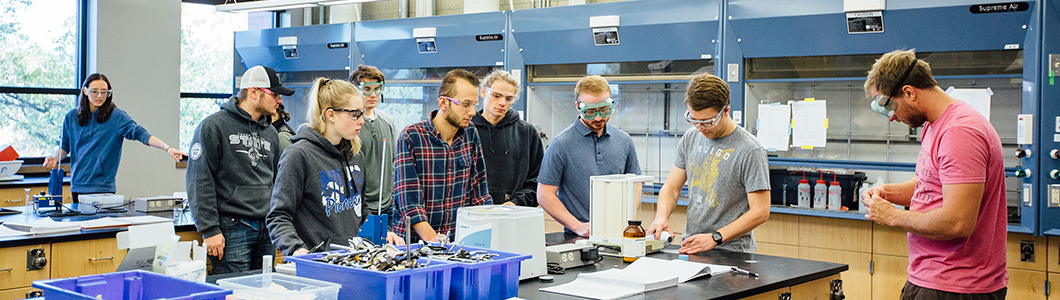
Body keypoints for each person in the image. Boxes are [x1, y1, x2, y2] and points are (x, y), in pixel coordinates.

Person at [860, 50, 1007, 299]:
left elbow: (957, 222)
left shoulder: (960, 131)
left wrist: (893, 216)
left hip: (957, 285)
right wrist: (889, 193)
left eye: (889, 105)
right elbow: (931, 183)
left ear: (909, 92)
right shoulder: (934, 124)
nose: (892, 117)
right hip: (931, 278)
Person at [267, 78, 395, 257]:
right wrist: (295, 248)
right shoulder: (298, 155)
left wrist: (381, 231)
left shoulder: (356, 155)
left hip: (353, 259)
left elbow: (360, 207)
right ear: (331, 115)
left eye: (362, 113)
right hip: (318, 263)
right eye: (354, 114)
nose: (362, 121)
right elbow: (278, 216)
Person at [645, 74, 770, 254]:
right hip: (692, 247)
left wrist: (715, 238)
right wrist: (661, 217)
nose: (700, 128)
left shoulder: (750, 150)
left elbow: (760, 211)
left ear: (725, 111)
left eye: (707, 122)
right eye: (694, 120)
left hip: (732, 252)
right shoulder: (691, 137)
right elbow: (671, 188)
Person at [186, 65, 290, 274]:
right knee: (234, 293)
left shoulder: (270, 132)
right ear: (253, 92)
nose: (279, 101)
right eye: (275, 94)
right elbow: (199, 180)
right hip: (232, 228)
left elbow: (278, 181)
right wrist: (209, 230)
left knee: (263, 293)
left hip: (267, 229)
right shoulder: (213, 126)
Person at [43, 73, 185, 203]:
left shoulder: (116, 117)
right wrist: (55, 158)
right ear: (85, 91)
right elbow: (64, 147)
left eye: (104, 92)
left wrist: (167, 148)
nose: (99, 96)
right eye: (95, 92)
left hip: (104, 188)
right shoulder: (71, 117)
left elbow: (140, 133)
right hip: (78, 186)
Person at [393, 69, 493, 243]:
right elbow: (409, 202)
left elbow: (479, 194)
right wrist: (435, 241)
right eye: (466, 104)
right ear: (443, 103)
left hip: (456, 243)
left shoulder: (470, 133)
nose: (472, 112)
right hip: (415, 245)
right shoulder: (411, 137)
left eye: (475, 105)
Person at [537, 75, 640, 237]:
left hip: (619, 232)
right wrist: (577, 226)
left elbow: (635, 186)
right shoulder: (561, 144)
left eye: (605, 110)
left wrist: (624, 220)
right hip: (578, 237)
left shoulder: (624, 141)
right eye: (590, 111)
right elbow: (544, 195)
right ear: (578, 107)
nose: (598, 118)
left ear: (612, 102)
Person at [471, 70, 544, 206]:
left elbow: (537, 180)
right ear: (482, 92)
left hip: (515, 213)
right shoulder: (467, 131)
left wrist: (516, 204)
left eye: (508, 98)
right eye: (496, 95)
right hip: (474, 212)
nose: (502, 103)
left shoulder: (527, 133)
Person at [348, 65, 401, 225]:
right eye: (367, 89)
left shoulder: (388, 122)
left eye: (378, 89)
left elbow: (395, 162)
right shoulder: (349, 124)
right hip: (357, 207)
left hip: (387, 206)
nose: (373, 94)